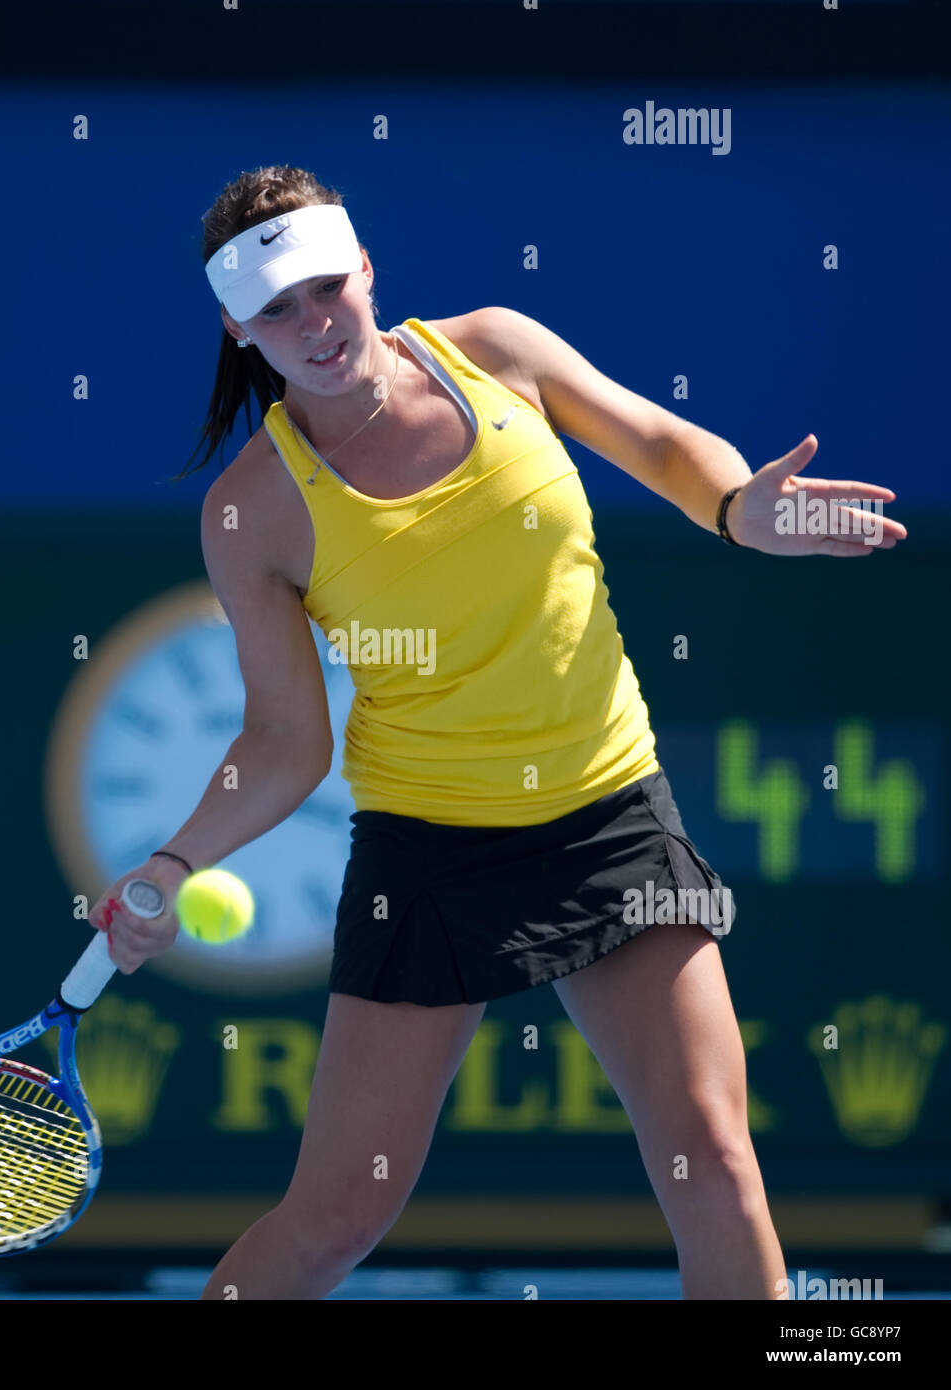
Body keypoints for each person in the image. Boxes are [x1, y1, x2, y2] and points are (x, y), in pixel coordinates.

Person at [87, 165, 905, 1300]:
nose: (315, 323)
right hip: (429, 850)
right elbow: (285, 737)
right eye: (278, 308)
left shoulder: (500, 350)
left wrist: (736, 509)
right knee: (335, 1216)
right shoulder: (253, 509)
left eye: (328, 285)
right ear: (238, 327)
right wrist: (175, 861)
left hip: (609, 815)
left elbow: (665, 446)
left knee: (715, 1162)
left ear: (366, 269)